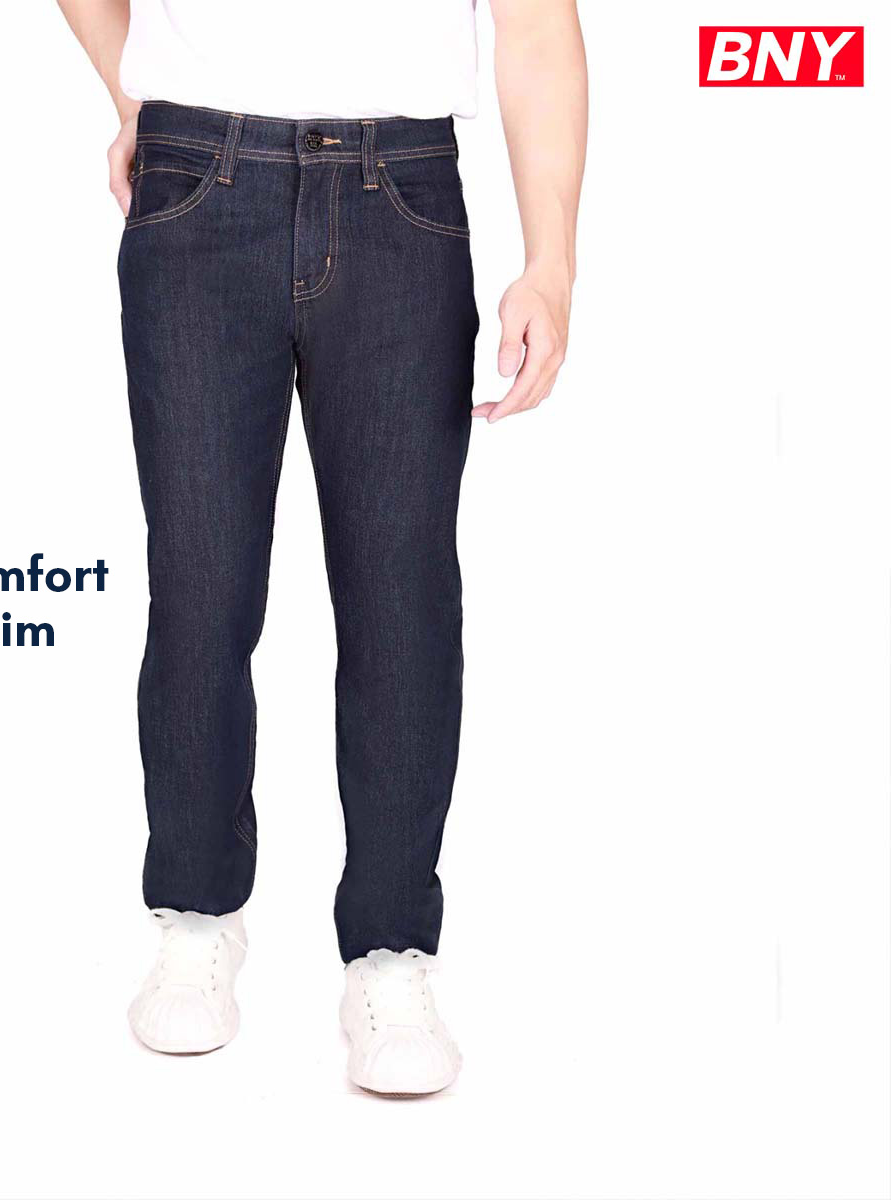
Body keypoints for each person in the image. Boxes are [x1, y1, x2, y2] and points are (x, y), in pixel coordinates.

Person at [56, 0, 587, 1095]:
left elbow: (538, 27)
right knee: (201, 583)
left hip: (402, 194)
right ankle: (195, 917)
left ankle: (391, 953)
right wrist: (131, 91)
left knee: (402, 598)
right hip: (197, 180)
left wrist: (552, 265)